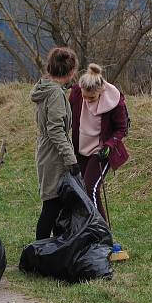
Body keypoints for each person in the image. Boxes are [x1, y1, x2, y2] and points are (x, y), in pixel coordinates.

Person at [30, 47, 80, 240]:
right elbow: (56, 130)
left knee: (56, 204)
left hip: (47, 150)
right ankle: (40, 251)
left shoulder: (47, 88)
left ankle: (55, 248)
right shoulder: (56, 94)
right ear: (70, 71)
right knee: (51, 205)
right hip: (53, 155)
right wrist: (71, 159)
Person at [69, 63, 129, 221]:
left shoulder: (115, 101)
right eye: (85, 96)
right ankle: (86, 231)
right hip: (80, 149)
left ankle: (103, 233)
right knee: (79, 189)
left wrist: (109, 145)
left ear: (101, 92)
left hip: (101, 151)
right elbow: (68, 116)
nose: (87, 100)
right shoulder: (75, 93)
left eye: (92, 97)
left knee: (91, 189)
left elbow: (121, 129)